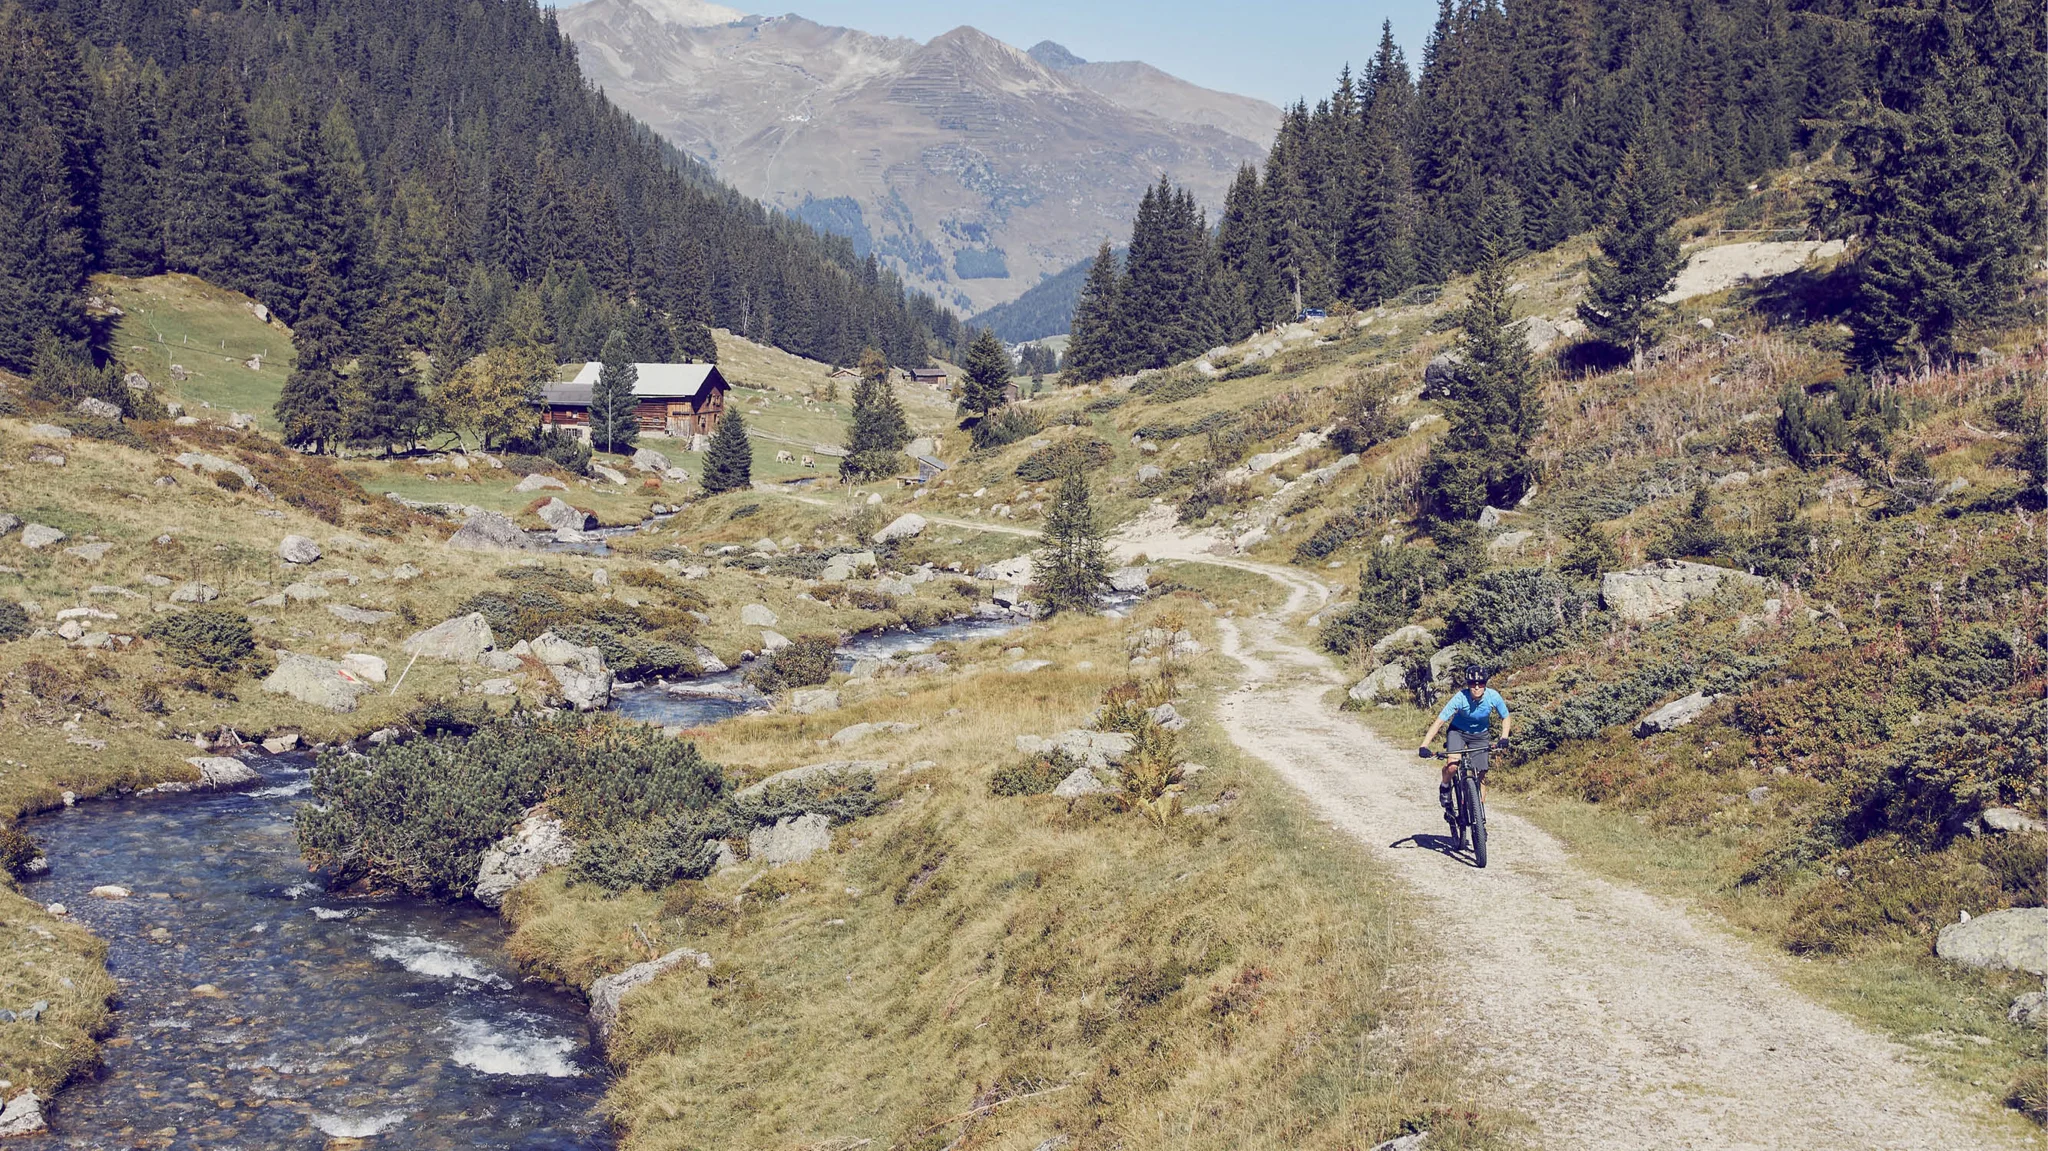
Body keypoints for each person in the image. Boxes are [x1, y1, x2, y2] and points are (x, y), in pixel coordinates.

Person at [1419, 665, 1511, 821]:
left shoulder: (1493, 696)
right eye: (1472, 684)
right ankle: (1445, 786)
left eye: (1480, 683)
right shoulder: (1460, 698)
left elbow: (1505, 717)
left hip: (1480, 735)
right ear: (1468, 684)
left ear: (1485, 683)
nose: (1476, 687)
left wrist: (1504, 737)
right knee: (1453, 764)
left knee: (1481, 774)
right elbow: (1439, 722)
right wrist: (1424, 745)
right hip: (1458, 732)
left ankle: (1479, 818)